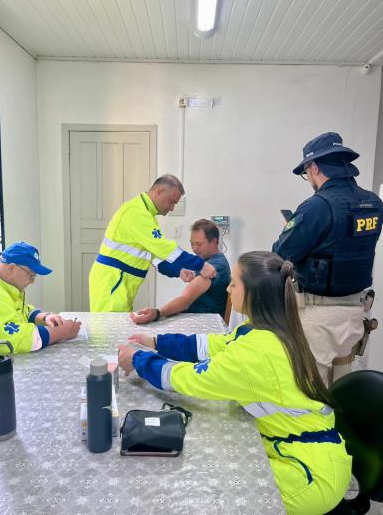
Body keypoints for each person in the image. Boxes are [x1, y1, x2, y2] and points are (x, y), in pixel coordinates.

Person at [118, 251, 352, 515]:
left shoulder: (254, 353)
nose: (228, 288)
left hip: (307, 475)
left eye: (233, 283)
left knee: (209, 487)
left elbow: (186, 379)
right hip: (307, 452)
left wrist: (138, 360)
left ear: (252, 291)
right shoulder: (263, 331)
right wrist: (156, 342)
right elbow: (207, 346)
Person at [272, 132, 383, 385]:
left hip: (319, 317)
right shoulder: (374, 203)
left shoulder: (317, 206)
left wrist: (295, 228)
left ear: (314, 167)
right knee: (341, 385)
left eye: (306, 172)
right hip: (355, 312)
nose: (308, 178)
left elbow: (281, 252)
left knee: (311, 388)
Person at [89, 175, 216, 313]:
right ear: (159, 191)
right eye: (172, 202)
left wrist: (178, 271)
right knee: (108, 330)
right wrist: (201, 265)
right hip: (112, 281)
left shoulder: (148, 216)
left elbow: (156, 258)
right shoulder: (136, 213)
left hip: (119, 282)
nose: (172, 208)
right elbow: (165, 248)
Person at [0, 242, 81, 355]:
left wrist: (44, 317)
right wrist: (61, 332)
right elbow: (13, 340)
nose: (32, 281)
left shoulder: (2, 285)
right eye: (31, 275)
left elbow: (20, 312)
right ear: (11, 269)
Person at [131, 219, 230, 323]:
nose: (195, 249)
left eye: (199, 244)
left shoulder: (213, 267)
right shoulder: (213, 261)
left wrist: (157, 313)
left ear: (214, 241)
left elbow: (185, 300)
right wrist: (179, 271)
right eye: (192, 244)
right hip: (196, 317)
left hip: (203, 323)